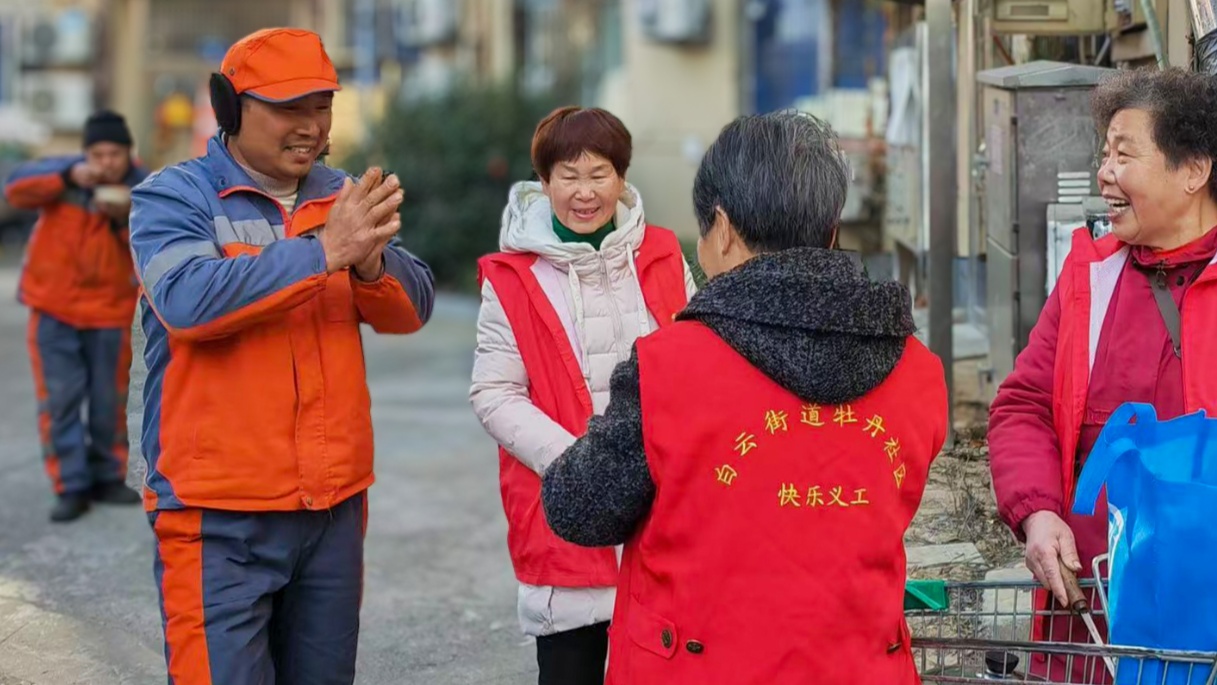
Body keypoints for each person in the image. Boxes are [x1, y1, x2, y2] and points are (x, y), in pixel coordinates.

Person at [540, 110, 949, 684]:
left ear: (724, 229)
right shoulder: (919, 371)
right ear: (831, 230)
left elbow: (577, 508)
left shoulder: (667, 367)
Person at [127, 28, 435, 685]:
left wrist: (371, 260)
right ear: (230, 108)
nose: (311, 126)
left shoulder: (342, 195)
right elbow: (186, 302)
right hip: (218, 516)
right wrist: (324, 252)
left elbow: (411, 309)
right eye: (289, 108)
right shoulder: (176, 196)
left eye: (321, 106)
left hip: (331, 509)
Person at [989, 67, 1217, 683]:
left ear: (1193, 171)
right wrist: (1037, 511)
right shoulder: (1090, 278)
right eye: (1104, 153)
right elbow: (1023, 407)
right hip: (1089, 612)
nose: (1104, 173)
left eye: (1124, 154)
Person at [470, 106, 696, 685]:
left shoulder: (665, 255)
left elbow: (698, 365)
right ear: (543, 182)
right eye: (568, 176)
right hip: (564, 502)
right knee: (570, 663)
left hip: (662, 504)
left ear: (622, 178)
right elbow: (494, 394)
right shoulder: (512, 276)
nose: (584, 192)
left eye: (599, 174)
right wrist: (579, 464)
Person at [6, 110, 148, 522]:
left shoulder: (146, 187)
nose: (106, 162)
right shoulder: (63, 174)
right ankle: (70, 484)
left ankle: (107, 474)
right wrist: (68, 178)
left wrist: (124, 221)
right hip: (54, 308)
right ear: (86, 153)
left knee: (110, 401)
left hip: (111, 311)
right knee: (61, 401)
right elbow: (14, 189)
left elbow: (155, 247)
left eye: (114, 153)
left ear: (128, 153)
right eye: (98, 153)